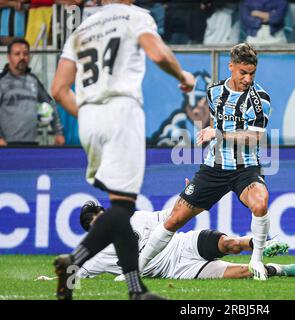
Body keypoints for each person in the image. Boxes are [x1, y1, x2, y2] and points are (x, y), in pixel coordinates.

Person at [50, 0, 195, 300]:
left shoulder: (83, 27)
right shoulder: (135, 16)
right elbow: (157, 52)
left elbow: (58, 90)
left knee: (119, 208)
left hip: (88, 119)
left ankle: (135, 290)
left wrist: (90, 115)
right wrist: (183, 77)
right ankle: (74, 262)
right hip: (121, 112)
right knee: (122, 209)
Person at [139, 43, 273, 282]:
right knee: (174, 219)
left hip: (246, 168)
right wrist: (209, 133)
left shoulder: (260, 99)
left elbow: (254, 138)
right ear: (231, 67)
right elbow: (217, 122)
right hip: (214, 168)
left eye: (252, 73)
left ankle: (257, 262)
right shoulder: (214, 92)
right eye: (243, 72)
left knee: (260, 203)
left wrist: (217, 134)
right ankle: (136, 268)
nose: (247, 78)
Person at [60, 201, 295, 281]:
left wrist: (185, 196)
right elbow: (77, 274)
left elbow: (170, 217)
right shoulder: (99, 256)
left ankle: (261, 245)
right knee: (242, 272)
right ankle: (279, 269)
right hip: (179, 269)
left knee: (229, 244)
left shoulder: (136, 219)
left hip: (183, 243)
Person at [0, 38, 65, 146]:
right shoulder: (2, 82)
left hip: (32, 145)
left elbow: (51, 105)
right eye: (17, 54)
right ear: (9, 57)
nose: (22, 57)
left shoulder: (34, 81)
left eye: (25, 54)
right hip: (5, 146)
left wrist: (58, 133)